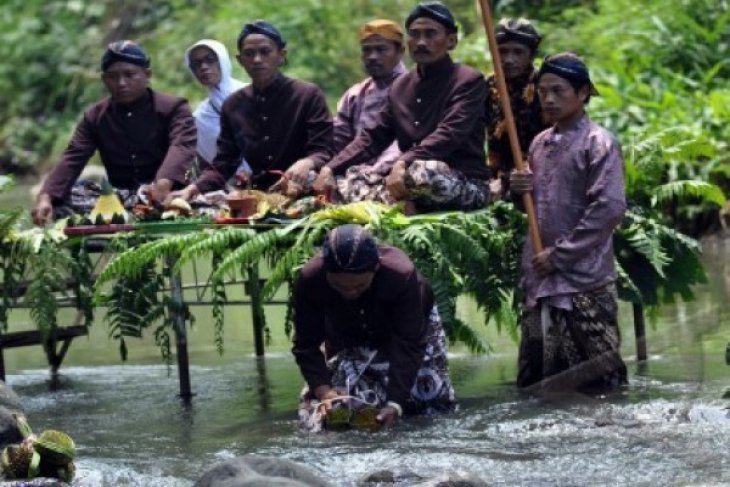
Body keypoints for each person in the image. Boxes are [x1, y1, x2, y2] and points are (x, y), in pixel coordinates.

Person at [509, 52, 628, 391]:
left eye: (558, 91)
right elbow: (534, 206)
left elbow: (608, 208)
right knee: (536, 385)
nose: (548, 98)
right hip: (540, 277)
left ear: (583, 93)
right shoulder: (538, 144)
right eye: (543, 90)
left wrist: (560, 255)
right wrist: (518, 189)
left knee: (601, 385)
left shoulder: (599, 142)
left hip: (583, 279)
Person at [319, 2, 490, 213]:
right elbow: (371, 138)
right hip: (408, 179)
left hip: (460, 181)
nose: (420, 42)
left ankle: (395, 202)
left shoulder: (468, 80)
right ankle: (403, 204)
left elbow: (449, 134)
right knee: (350, 177)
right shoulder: (400, 86)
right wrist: (330, 168)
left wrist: (403, 162)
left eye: (430, 34)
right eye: (414, 34)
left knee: (426, 171)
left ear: (451, 41)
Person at [292, 224, 457, 431]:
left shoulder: (401, 277)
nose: (349, 293)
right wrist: (324, 391)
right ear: (326, 274)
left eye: (359, 286)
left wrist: (395, 403)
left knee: (427, 399)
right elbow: (306, 345)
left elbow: (409, 343)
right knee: (326, 413)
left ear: (375, 269)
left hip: (411, 330)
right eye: (339, 286)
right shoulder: (310, 281)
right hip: (349, 330)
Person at [32, 41, 196, 225]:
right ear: (104, 79)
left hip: (168, 191)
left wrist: (163, 182)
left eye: (129, 74)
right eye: (113, 76)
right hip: (121, 197)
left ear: (147, 75)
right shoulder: (95, 116)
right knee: (61, 198)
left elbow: (181, 146)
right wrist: (46, 196)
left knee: (194, 199)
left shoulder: (174, 108)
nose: (121, 83)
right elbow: (74, 156)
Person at [169, 21, 332, 204]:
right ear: (240, 60)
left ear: (281, 55)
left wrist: (307, 162)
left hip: (307, 193)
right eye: (249, 54)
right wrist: (192, 189)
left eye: (265, 51)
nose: (257, 59)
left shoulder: (307, 95)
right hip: (260, 197)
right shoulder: (233, 105)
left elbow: (323, 149)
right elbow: (225, 162)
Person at [321, 19, 407, 203]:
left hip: (396, 174)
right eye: (367, 50)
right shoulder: (355, 94)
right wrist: (325, 167)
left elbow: (405, 142)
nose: (372, 56)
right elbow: (338, 142)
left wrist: (374, 170)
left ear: (400, 51)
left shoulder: (414, 88)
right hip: (355, 175)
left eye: (381, 49)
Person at [485, 18, 548, 198]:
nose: (509, 60)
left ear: (531, 54)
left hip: (535, 176)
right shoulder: (488, 85)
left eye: (518, 52)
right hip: (495, 177)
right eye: (502, 52)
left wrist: (509, 180)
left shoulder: (544, 86)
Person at [184, 39, 251, 181]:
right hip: (234, 189)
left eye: (210, 60)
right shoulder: (200, 118)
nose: (203, 67)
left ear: (223, 60)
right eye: (196, 64)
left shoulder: (252, 95)